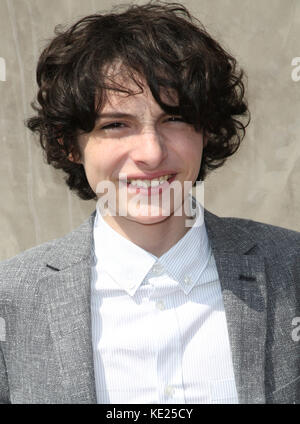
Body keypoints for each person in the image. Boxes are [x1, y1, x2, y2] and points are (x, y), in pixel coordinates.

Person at [0, 1, 299, 404]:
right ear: (69, 144)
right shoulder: (11, 298)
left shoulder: (291, 270)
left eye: (173, 118)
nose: (151, 153)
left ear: (207, 131)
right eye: (116, 124)